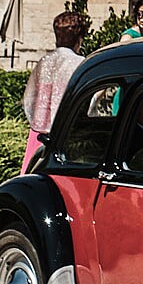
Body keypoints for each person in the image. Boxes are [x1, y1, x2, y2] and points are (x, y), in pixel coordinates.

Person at [21, 11, 86, 171]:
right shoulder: (80, 63)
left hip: (39, 131)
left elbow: (30, 100)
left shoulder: (44, 61)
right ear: (79, 37)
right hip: (66, 135)